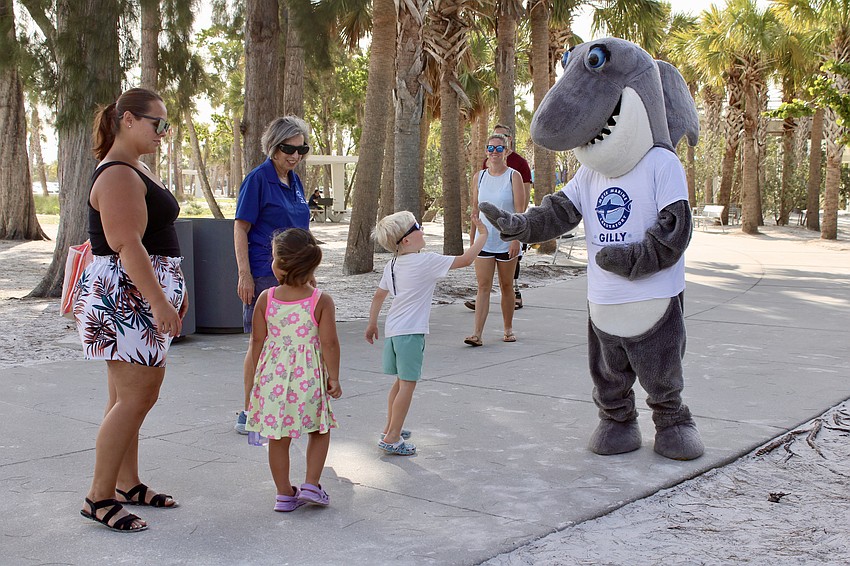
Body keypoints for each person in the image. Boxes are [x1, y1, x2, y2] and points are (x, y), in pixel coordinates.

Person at [74, 87, 186, 532]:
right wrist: (160, 301)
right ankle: (98, 497)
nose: (164, 131)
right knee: (138, 396)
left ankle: (127, 484)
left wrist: (173, 291)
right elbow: (126, 245)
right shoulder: (118, 174)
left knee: (126, 398)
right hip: (129, 299)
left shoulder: (134, 168)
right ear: (128, 120)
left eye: (166, 124)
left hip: (136, 296)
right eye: (158, 123)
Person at [366, 211, 488, 455]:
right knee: (408, 385)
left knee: (399, 382)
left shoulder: (392, 264)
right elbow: (465, 260)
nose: (422, 230)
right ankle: (392, 437)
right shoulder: (426, 261)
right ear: (406, 241)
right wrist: (483, 235)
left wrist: (372, 324)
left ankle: (391, 427)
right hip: (411, 333)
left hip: (394, 331)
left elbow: (379, 295)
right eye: (417, 227)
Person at [244, 228, 341, 510]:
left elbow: (257, 342)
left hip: (274, 377)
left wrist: (253, 385)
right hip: (309, 376)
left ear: (280, 264)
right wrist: (333, 377)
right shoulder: (320, 300)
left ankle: (284, 494)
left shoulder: (267, 298)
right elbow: (330, 344)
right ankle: (311, 485)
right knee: (319, 430)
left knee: (278, 437)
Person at [234, 116, 312, 434]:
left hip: (297, 275)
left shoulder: (295, 182)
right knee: (261, 343)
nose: (294, 155)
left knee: (294, 343)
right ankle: (249, 410)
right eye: (287, 149)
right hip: (265, 273)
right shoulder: (257, 179)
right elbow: (241, 227)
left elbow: (303, 229)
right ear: (273, 147)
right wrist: (245, 274)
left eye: (301, 149)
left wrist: (308, 272)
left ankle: (283, 404)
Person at [465, 134, 525, 347]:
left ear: (506, 152)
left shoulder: (513, 176)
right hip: (484, 240)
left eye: (499, 149)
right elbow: (475, 209)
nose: (494, 152)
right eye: (490, 148)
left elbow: (520, 211)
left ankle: (508, 328)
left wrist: (516, 240)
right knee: (483, 286)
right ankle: (477, 333)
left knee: (506, 285)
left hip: (506, 240)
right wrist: (473, 239)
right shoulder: (479, 177)